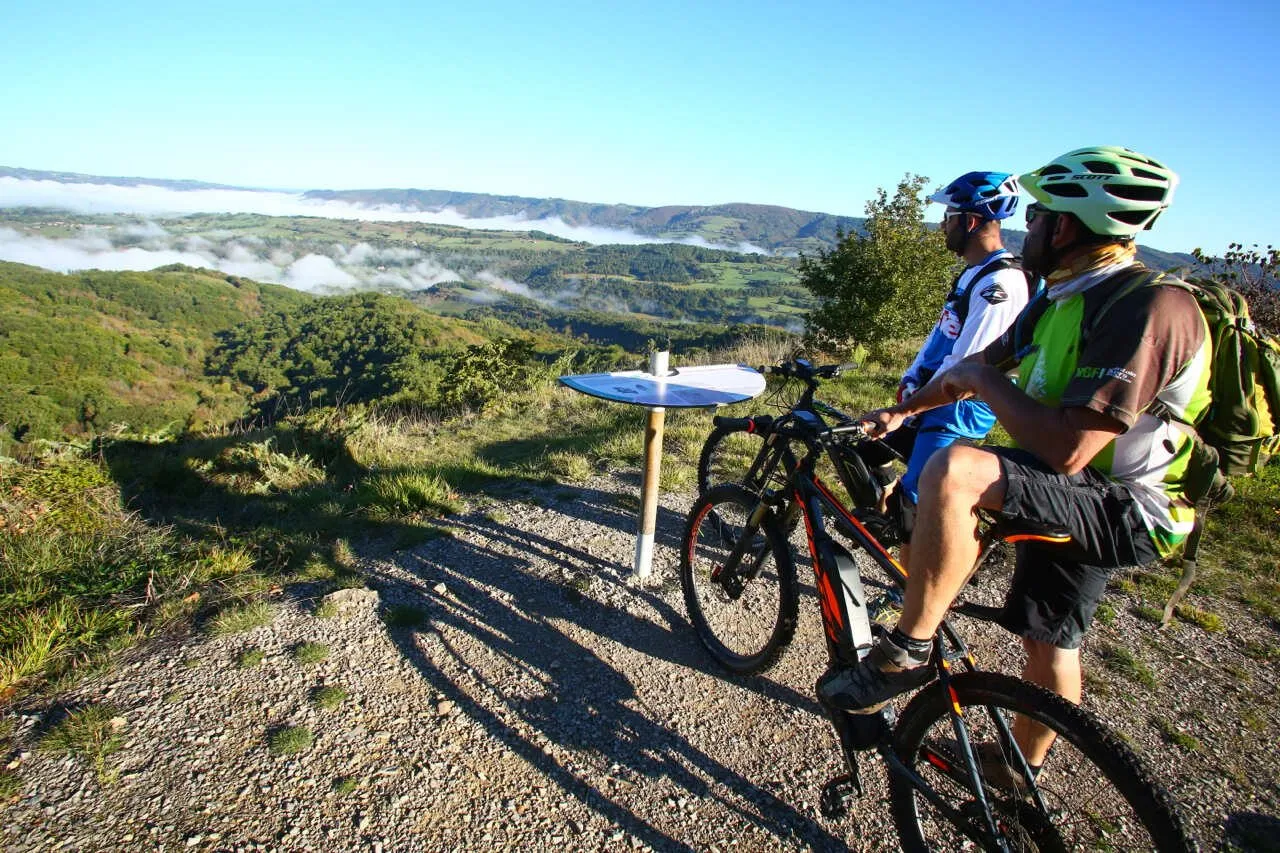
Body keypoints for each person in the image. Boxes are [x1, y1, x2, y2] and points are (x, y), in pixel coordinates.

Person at [820, 146, 1202, 774]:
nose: (1028, 226)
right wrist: (903, 411)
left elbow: (1068, 448)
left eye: (1041, 214)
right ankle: (1017, 771)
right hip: (1074, 490)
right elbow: (975, 370)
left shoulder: (1149, 308)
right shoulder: (1061, 297)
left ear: (1069, 227)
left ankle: (909, 648)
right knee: (1050, 643)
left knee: (955, 470)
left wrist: (983, 381)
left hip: (1131, 506)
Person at [881, 172, 1029, 552]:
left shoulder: (1001, 285)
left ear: (971, 221)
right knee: (864, 451)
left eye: (949, 217)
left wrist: (905, 409)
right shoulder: (973, 274)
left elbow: (968, 370)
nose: (942, 225)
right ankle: (897, 532)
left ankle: (916, 585)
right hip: (928, 397)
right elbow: (942, 337)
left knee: (920, 504)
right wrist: (912, 378)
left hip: (956, 408)